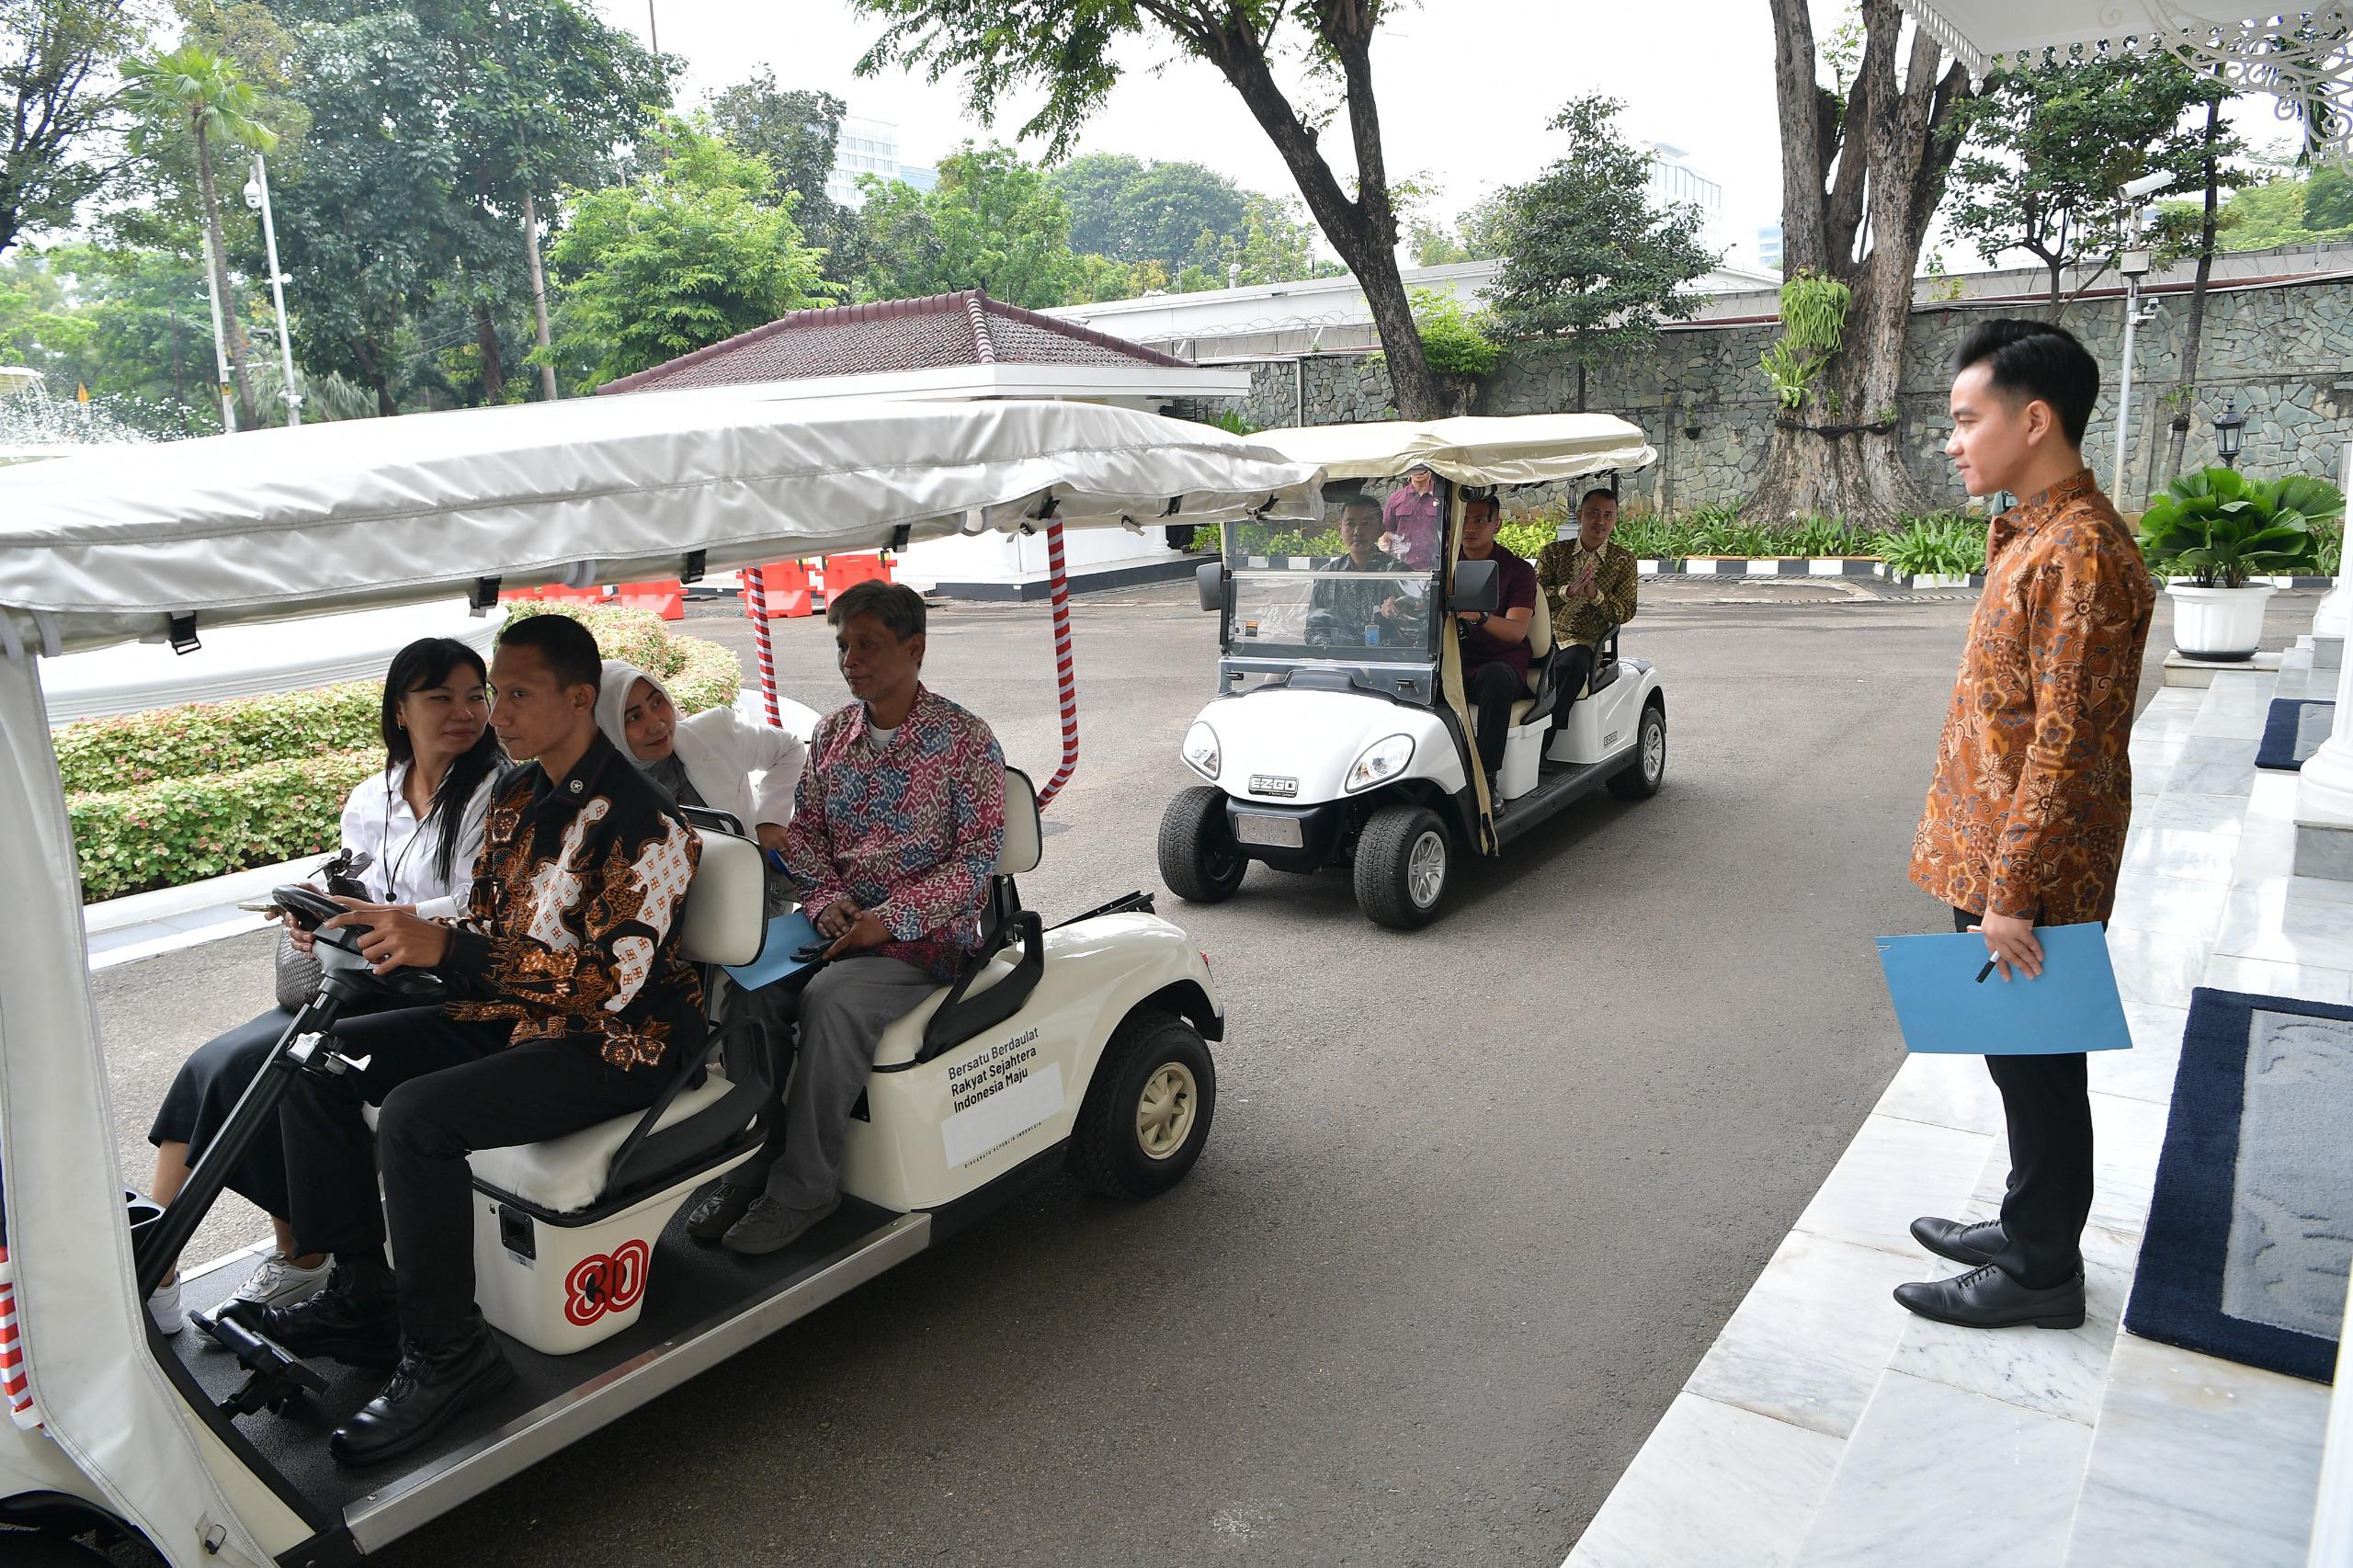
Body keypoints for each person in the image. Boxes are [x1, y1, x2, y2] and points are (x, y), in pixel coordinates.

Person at [256, 614, 704, 1467]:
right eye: (496, 694)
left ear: (580, 699)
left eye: (516, 694)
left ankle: (451, 1355)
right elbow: (485, 914)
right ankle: (363, 1289)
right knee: (319, 1060)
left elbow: (611, 986)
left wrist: (456, 950)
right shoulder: (518, 796)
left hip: (617, 1044)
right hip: (512, 1014)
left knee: (420, 1117)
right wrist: (399, 922)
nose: (497, 713)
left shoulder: (651, 826)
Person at [1898, 318, 2154, 1331]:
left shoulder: (2081, 553)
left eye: (1966, 420)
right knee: (2018, 1057)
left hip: (2032, 874)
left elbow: (2067, 745)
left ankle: (2041, 1271)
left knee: (2042, 1068)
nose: (1952, 441)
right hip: (1999, 856)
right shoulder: (2034, 532)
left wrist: (2010, 891)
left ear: (2033, 419)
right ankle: (2023, 1224)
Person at [142, 637, 503, 1334]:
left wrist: (376, 915)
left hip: (440, 987)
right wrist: (318, 910)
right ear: (401, 710)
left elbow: (481, 905)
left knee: (284, 1067)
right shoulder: (375, 796)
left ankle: (312, 1258)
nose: (465, 712)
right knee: (213, 1064)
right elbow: (356, 881)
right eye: (441, 697)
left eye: (475, 695)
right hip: (364, 978)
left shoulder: (499, 794)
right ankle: (159, 1264)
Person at [683, 579, 1006, 1256]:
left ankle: (806, 1188)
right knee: (745, 985)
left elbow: (975, 862)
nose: (849, 659)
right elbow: (806, 839)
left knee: (830, 1000)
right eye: (842, 645)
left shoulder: (965, 741)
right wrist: (829, 903)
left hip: (926, 941)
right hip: (839, 925)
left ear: (914, 648)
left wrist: (887, 921)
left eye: (867, 645)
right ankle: (760, 1159)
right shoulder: (832, 734)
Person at [592, 660, 805, 848]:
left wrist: (771, 820)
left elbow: (788, 750)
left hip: (755, 881)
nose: (657, 725)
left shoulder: (714, 733)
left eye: (657, 702)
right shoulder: (600, 799)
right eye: (634, 718)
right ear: (609, 728)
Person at [1533, 488, 1640, 723]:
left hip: (1584, 644)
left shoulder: (1623, 560)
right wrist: (1567, 591)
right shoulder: (1553, 553)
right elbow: (1532, 597)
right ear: (1580, 514)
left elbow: (1626, 610)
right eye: (1593, 513)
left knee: (1573, 664)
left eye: (1608, 515)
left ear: (1614, 520)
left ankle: (1543, 743)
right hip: (1543, 637)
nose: (1600, 521)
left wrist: (1596, 595)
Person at [1453, 494, 1539, 787]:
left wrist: (1481, 616)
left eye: (1479, 520)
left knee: (1495, 678)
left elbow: (1516, 631)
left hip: (1498, 664)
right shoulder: (1445, 566)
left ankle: (1487, 778)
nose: (1469, 528)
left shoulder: (1518, 571)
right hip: (1452, 663)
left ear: (1497, 525)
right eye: (1463, 520)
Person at [1313, 494, 1416, 645]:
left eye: (1366, 524)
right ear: (1340, 530)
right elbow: (1314, 629)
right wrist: (1333, 656)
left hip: (1385, 663)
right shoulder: (1328, 575)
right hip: (1339, 663)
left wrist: (1398, 617)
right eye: (1350, 524)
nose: (1357, 531)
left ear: (1381, 529)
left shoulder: (1399, 573)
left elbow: (1415, 634)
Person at [1381, 462, 1444, 570]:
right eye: (1414, 467)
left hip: (1434, 571)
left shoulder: (1443, 498)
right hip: (1401, 570)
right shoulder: (1395, 499)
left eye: (1422, 467)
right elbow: (1386, 535)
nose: (1418, 471)